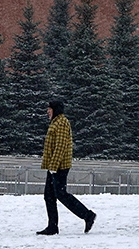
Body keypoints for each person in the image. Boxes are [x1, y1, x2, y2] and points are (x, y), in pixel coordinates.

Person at [36, 100, 96, 236]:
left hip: (59, 166)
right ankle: (52, 226)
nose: (47, 111)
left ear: (55, 109)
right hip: (54, 165)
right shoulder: (56, 122)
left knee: (61, 194)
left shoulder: (62, 122)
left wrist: (53, 166)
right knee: (49, 196)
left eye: (49, 109)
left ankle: (87, 215)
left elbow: (61, 146)